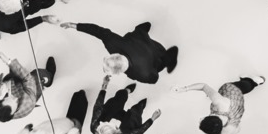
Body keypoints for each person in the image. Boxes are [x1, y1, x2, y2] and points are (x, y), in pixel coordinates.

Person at [43, 17, 179, 82]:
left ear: (119, 72)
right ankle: (145, 28)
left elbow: (155, 78)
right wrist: (74, 25)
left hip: (156, 52)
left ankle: (169, 59)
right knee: (140, 31)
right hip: (140, 40)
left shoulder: (142, 74)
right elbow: (98, 31)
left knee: (161, 61)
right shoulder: (113, 43)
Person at [0, 49, 56, 122]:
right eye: (16, 103)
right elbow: (28, 79)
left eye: (11, 98)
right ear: (13, 113)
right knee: (37, 74)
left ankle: (14, 76)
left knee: (14, 72)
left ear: (0, 99)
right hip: (28, 91)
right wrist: (9, 62)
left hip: (10, 82)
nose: (16, 99)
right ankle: (49, 78)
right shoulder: (27, 104)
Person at [176, 76, 265, 134]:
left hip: (236, 110)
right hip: (233, 93)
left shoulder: (227, 133)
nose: (200, 118)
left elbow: (237, 129)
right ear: (213, 116)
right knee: (243, 86)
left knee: (243, 89)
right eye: (203, 119)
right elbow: (203, 86)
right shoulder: (219, 102)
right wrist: (184, 89)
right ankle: (254, 82)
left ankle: (252, 83)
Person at [87, 74, 160, 134]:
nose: (115, 124)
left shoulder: (95, 125)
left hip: (109, 112)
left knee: (117, 100)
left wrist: (104, 86)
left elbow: (98, 105)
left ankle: (126, 91)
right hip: (125, 127)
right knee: (135, 115)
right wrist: (152, 119)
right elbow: (139, 131)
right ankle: (139, 107)